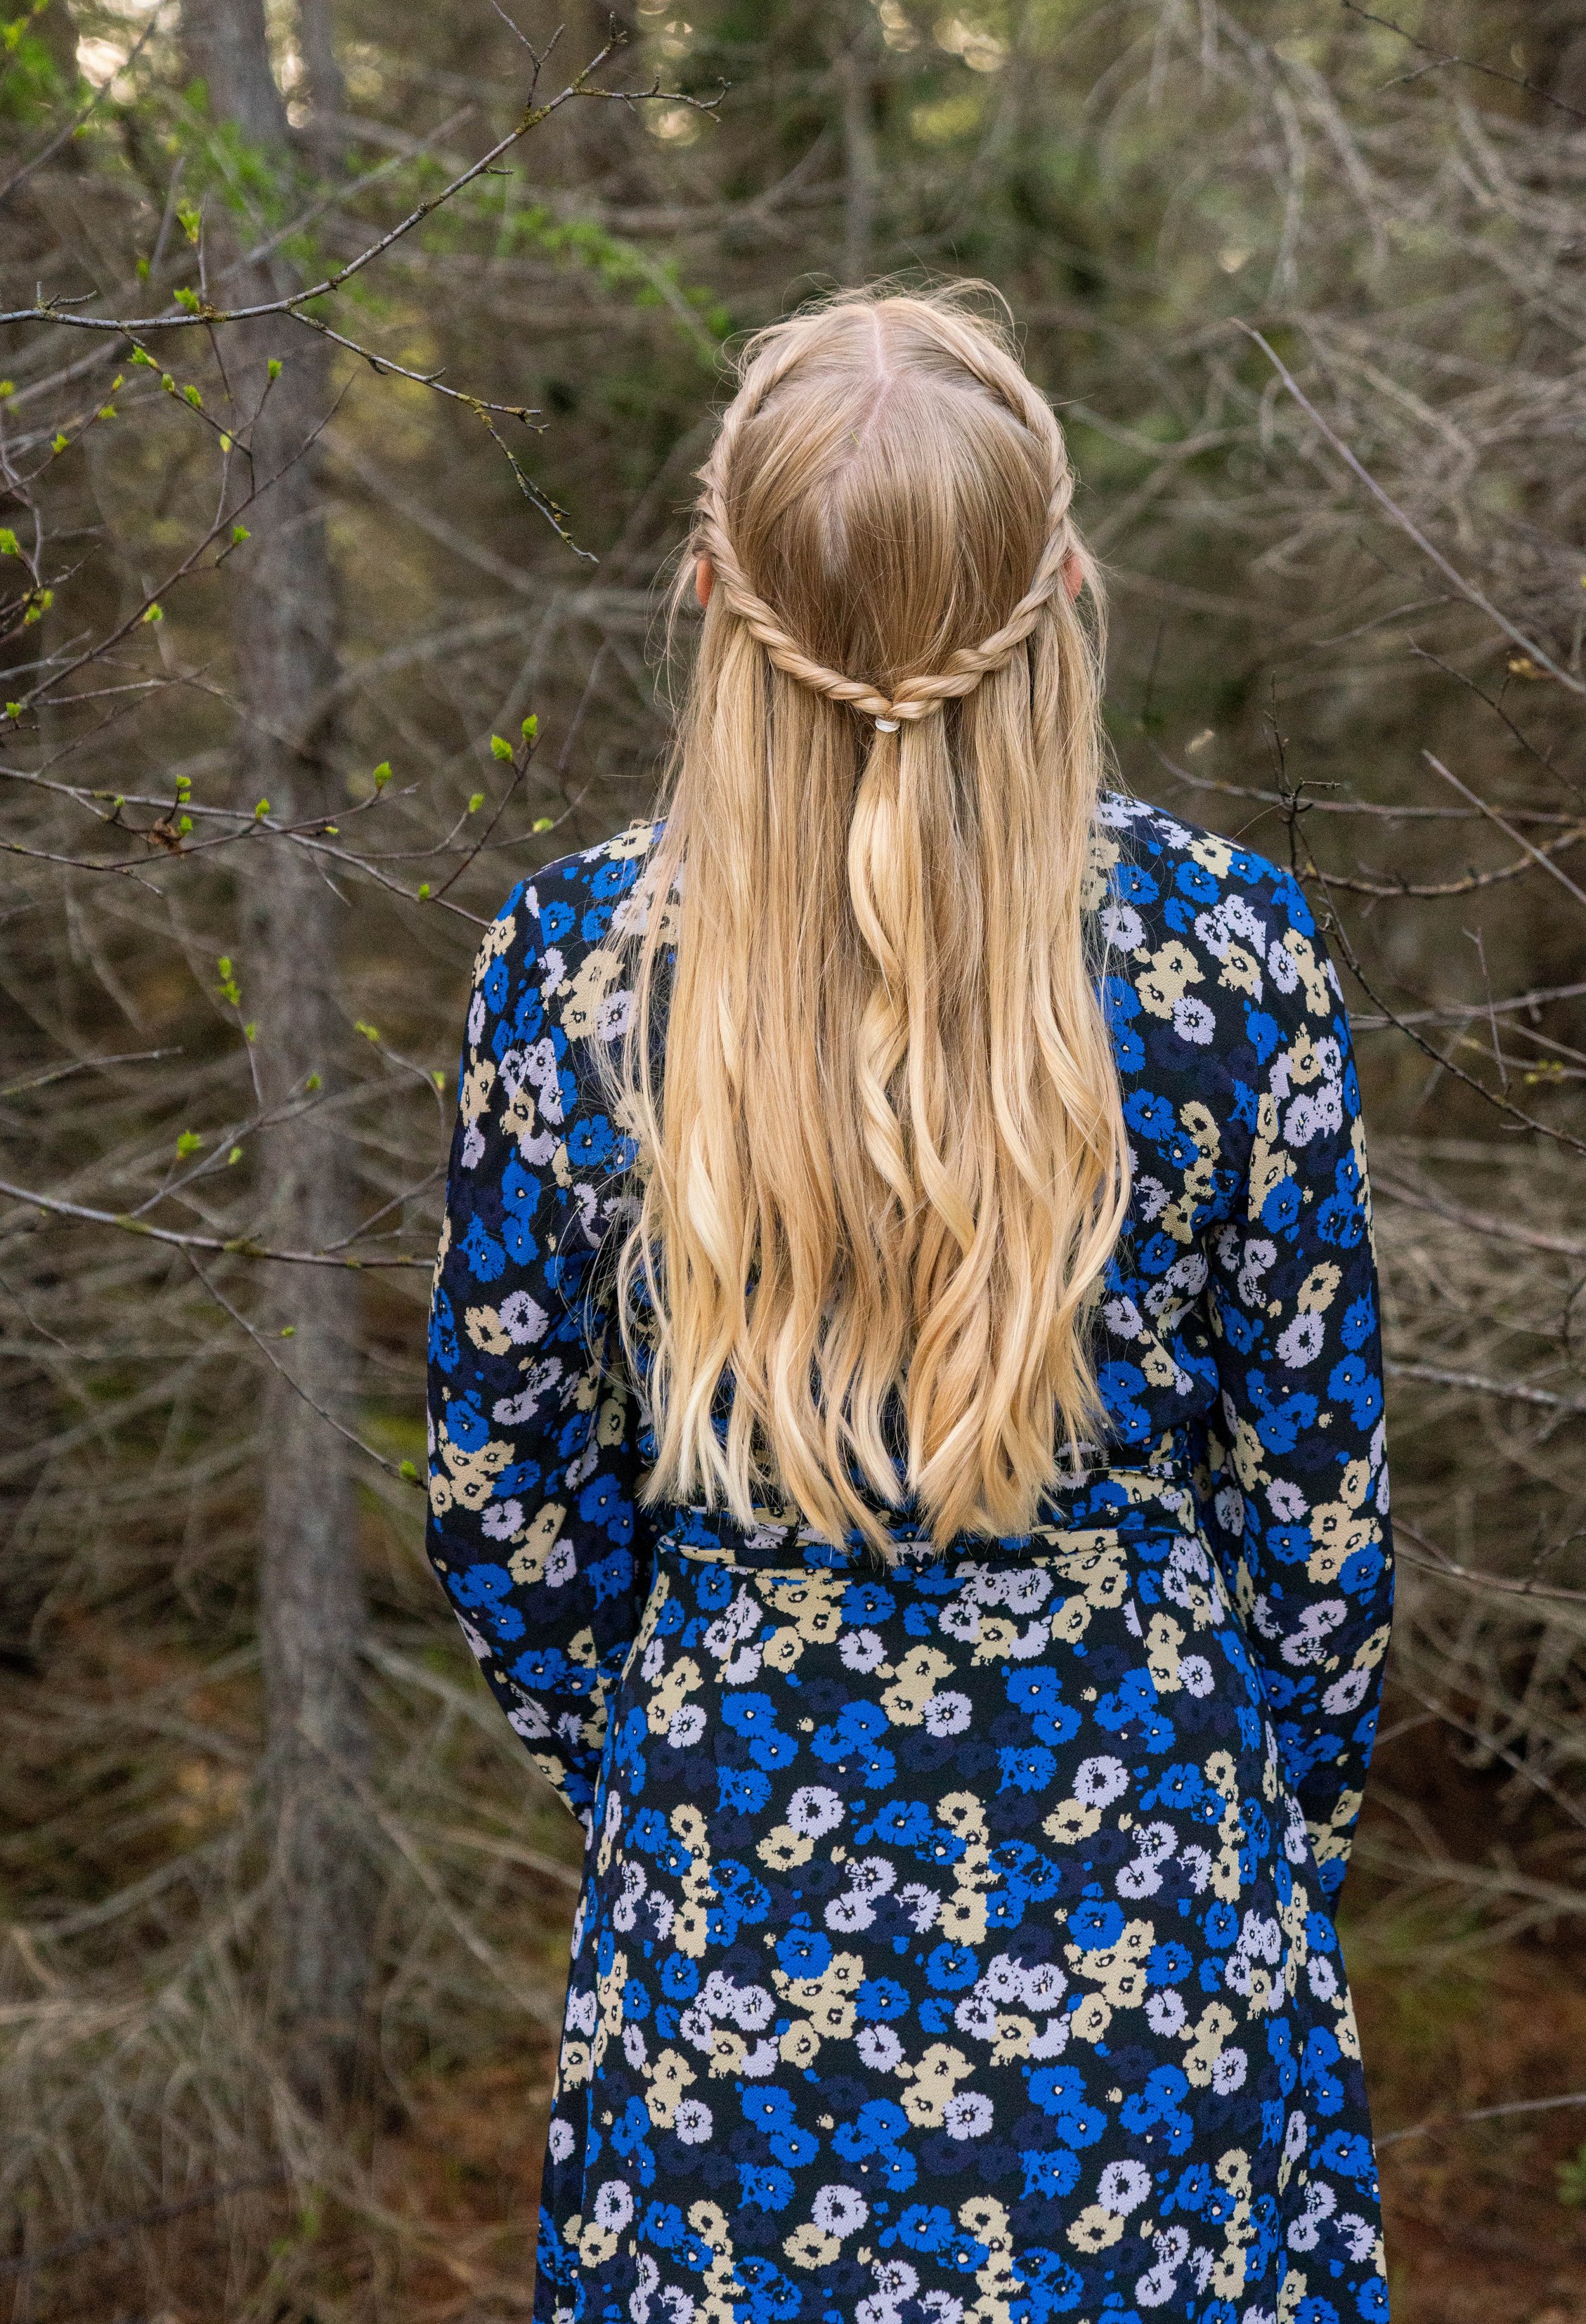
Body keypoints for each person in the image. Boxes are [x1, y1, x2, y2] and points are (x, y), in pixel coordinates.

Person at [426, 287, 1392, 2324]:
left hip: (727, 1892)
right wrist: (1251, 1823)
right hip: (1149, 1900)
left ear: (710, 590)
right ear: (1061, 585)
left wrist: (685, 1746)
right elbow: (1314, 1525)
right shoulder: (1231, 959)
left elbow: (509, 1516)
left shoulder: (579, 970)